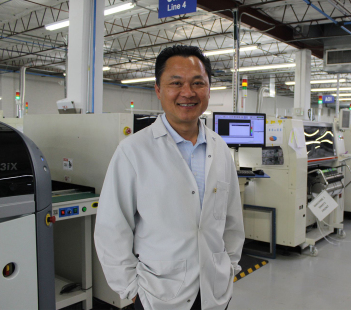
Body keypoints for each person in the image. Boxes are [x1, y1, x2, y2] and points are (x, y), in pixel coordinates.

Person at [94, 45, 245, 310]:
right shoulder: (133, 151)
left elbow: (232, 222)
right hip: (157, 296)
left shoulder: (220, 149)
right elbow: (111, 229)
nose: (188, 92)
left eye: (198, 83)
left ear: (208, 89)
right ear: (158, 90)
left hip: (214, 292)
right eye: (176, 83)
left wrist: (229, 267)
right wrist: (131, 289)